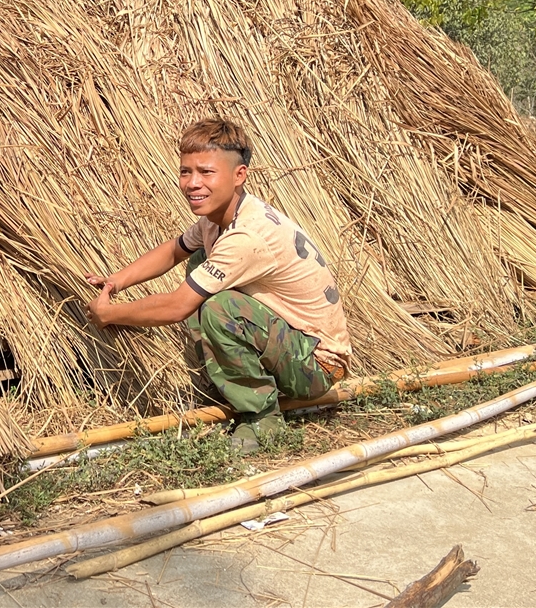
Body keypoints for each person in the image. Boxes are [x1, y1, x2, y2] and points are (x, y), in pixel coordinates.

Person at [84, 118, 352, 452]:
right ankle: (229, 378)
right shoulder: (219, 219)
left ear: (239, 176)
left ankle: (261, 418)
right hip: (295, 344)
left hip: (317, 366)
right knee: (199, 262)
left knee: (219, 308)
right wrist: (117, 280)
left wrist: (110, 314)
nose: (193, 183)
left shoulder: (247, 236)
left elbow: (177, 307)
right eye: (185, 172)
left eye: (206, 172)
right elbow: (173, 250)